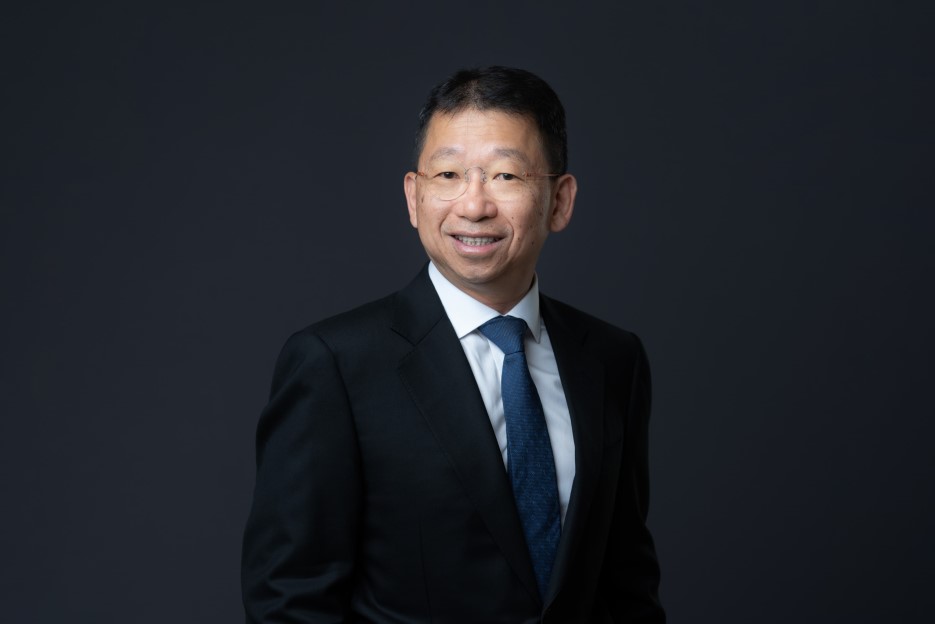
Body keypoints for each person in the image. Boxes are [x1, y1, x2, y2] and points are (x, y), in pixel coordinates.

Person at [242, 66, 665, 623]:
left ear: (559, 201)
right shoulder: (335, 365)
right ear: (414, 197)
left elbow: (627, 586)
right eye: (448, 174)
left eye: (506, 176)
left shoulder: (612, 360)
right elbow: (288, 599)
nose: (473, 205)